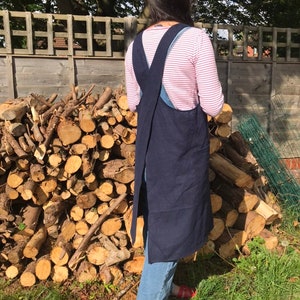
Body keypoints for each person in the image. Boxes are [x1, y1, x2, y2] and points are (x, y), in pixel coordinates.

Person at [124, 0, 224, 299]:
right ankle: (152, 293)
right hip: (180, 151)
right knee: (171, 227)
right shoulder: (195, 39)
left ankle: (165, 287)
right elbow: (213, 105)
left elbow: (133, 102)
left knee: (158, 218)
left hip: (150, 150)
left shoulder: (136, 44)